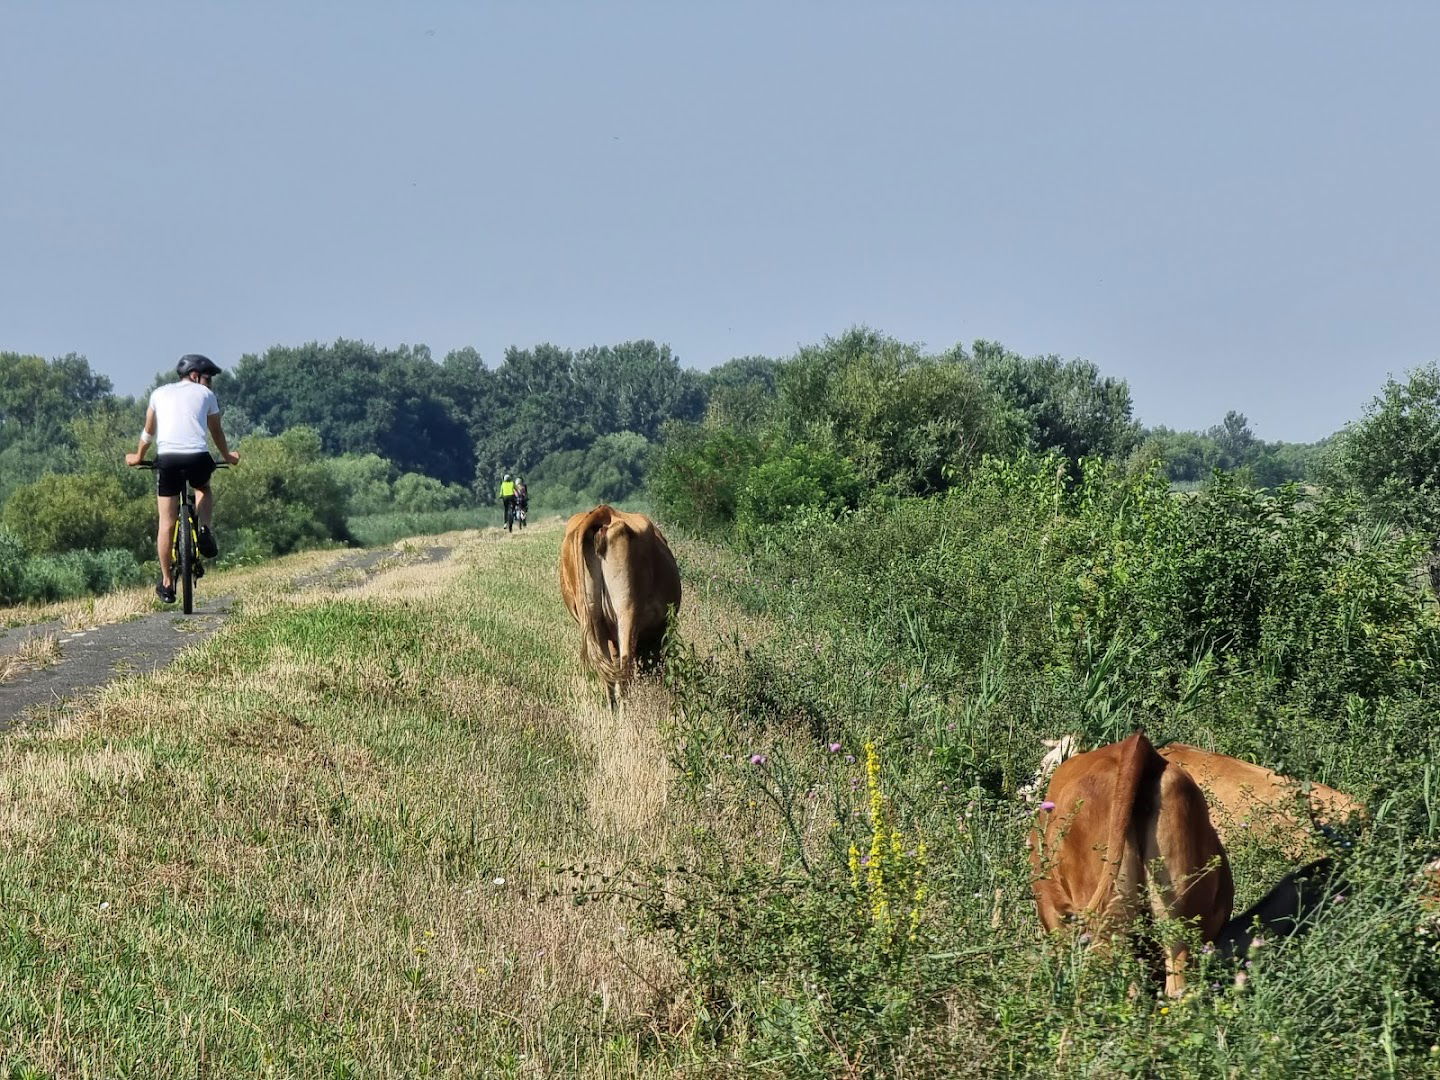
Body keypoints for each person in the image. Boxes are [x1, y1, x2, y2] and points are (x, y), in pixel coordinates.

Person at [126, 354, 240, 603]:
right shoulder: (206, 395)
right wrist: (227, 456)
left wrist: (137, 455)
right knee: (203, 488)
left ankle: (167, 583)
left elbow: (148, 432)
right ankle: (204, 529)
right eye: (208, 377)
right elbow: (216, 431)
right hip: (197, 457)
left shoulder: (159, 393)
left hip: (167, 459)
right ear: (195, 376)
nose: (209, 383)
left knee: (166, 523)